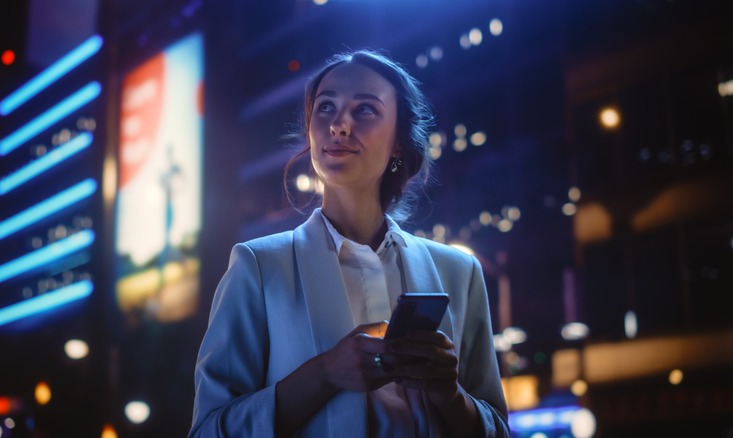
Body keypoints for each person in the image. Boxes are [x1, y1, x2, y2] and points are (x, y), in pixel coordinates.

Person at [190, 50, 510, 437]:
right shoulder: (258, 266)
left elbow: (497, 429)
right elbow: (208, 430)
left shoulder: (459, 273)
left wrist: (448, 394)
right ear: (309, 131)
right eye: (326, 107)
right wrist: (325, 374)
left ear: (398, 142)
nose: (339, 124)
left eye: (365, 110)